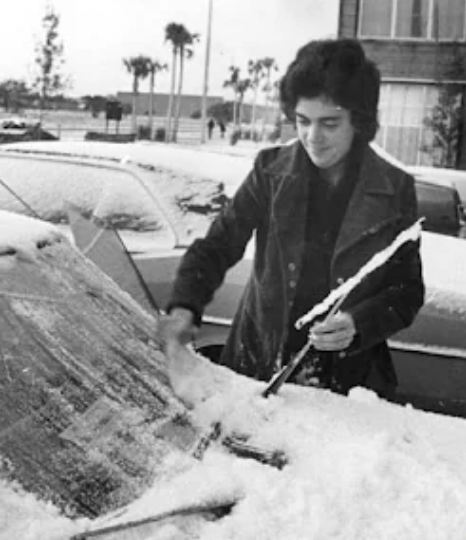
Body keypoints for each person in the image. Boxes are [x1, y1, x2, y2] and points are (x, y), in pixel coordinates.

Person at [158, 38, 424, 400]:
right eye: (303, 121)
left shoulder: (396, 189)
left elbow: (406, 291)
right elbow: (219, 245)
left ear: (358, 121)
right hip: (258, 366)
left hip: (349, 384)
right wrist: (184, 306)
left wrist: (358, 323)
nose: (313, 137)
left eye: (330, 123)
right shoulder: (270, 172)